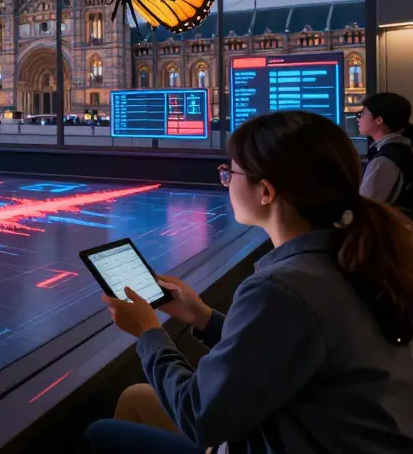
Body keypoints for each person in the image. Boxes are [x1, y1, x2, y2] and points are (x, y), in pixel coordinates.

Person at [82, 111, 413, 454]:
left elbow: (200, 417)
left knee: (102, 434)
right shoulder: (351, 257)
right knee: (137, 398)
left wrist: (148, 332)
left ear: (266, 191)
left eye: (231, 171)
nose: (225, 179)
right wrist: (202, 317)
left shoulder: (283, 287)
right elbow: (287, 347)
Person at [356, 92, 413, 210]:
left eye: (363, 113)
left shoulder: (385, 160)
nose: (358, 118)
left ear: (379, 120)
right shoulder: (401, 148)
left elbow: (365, 208)